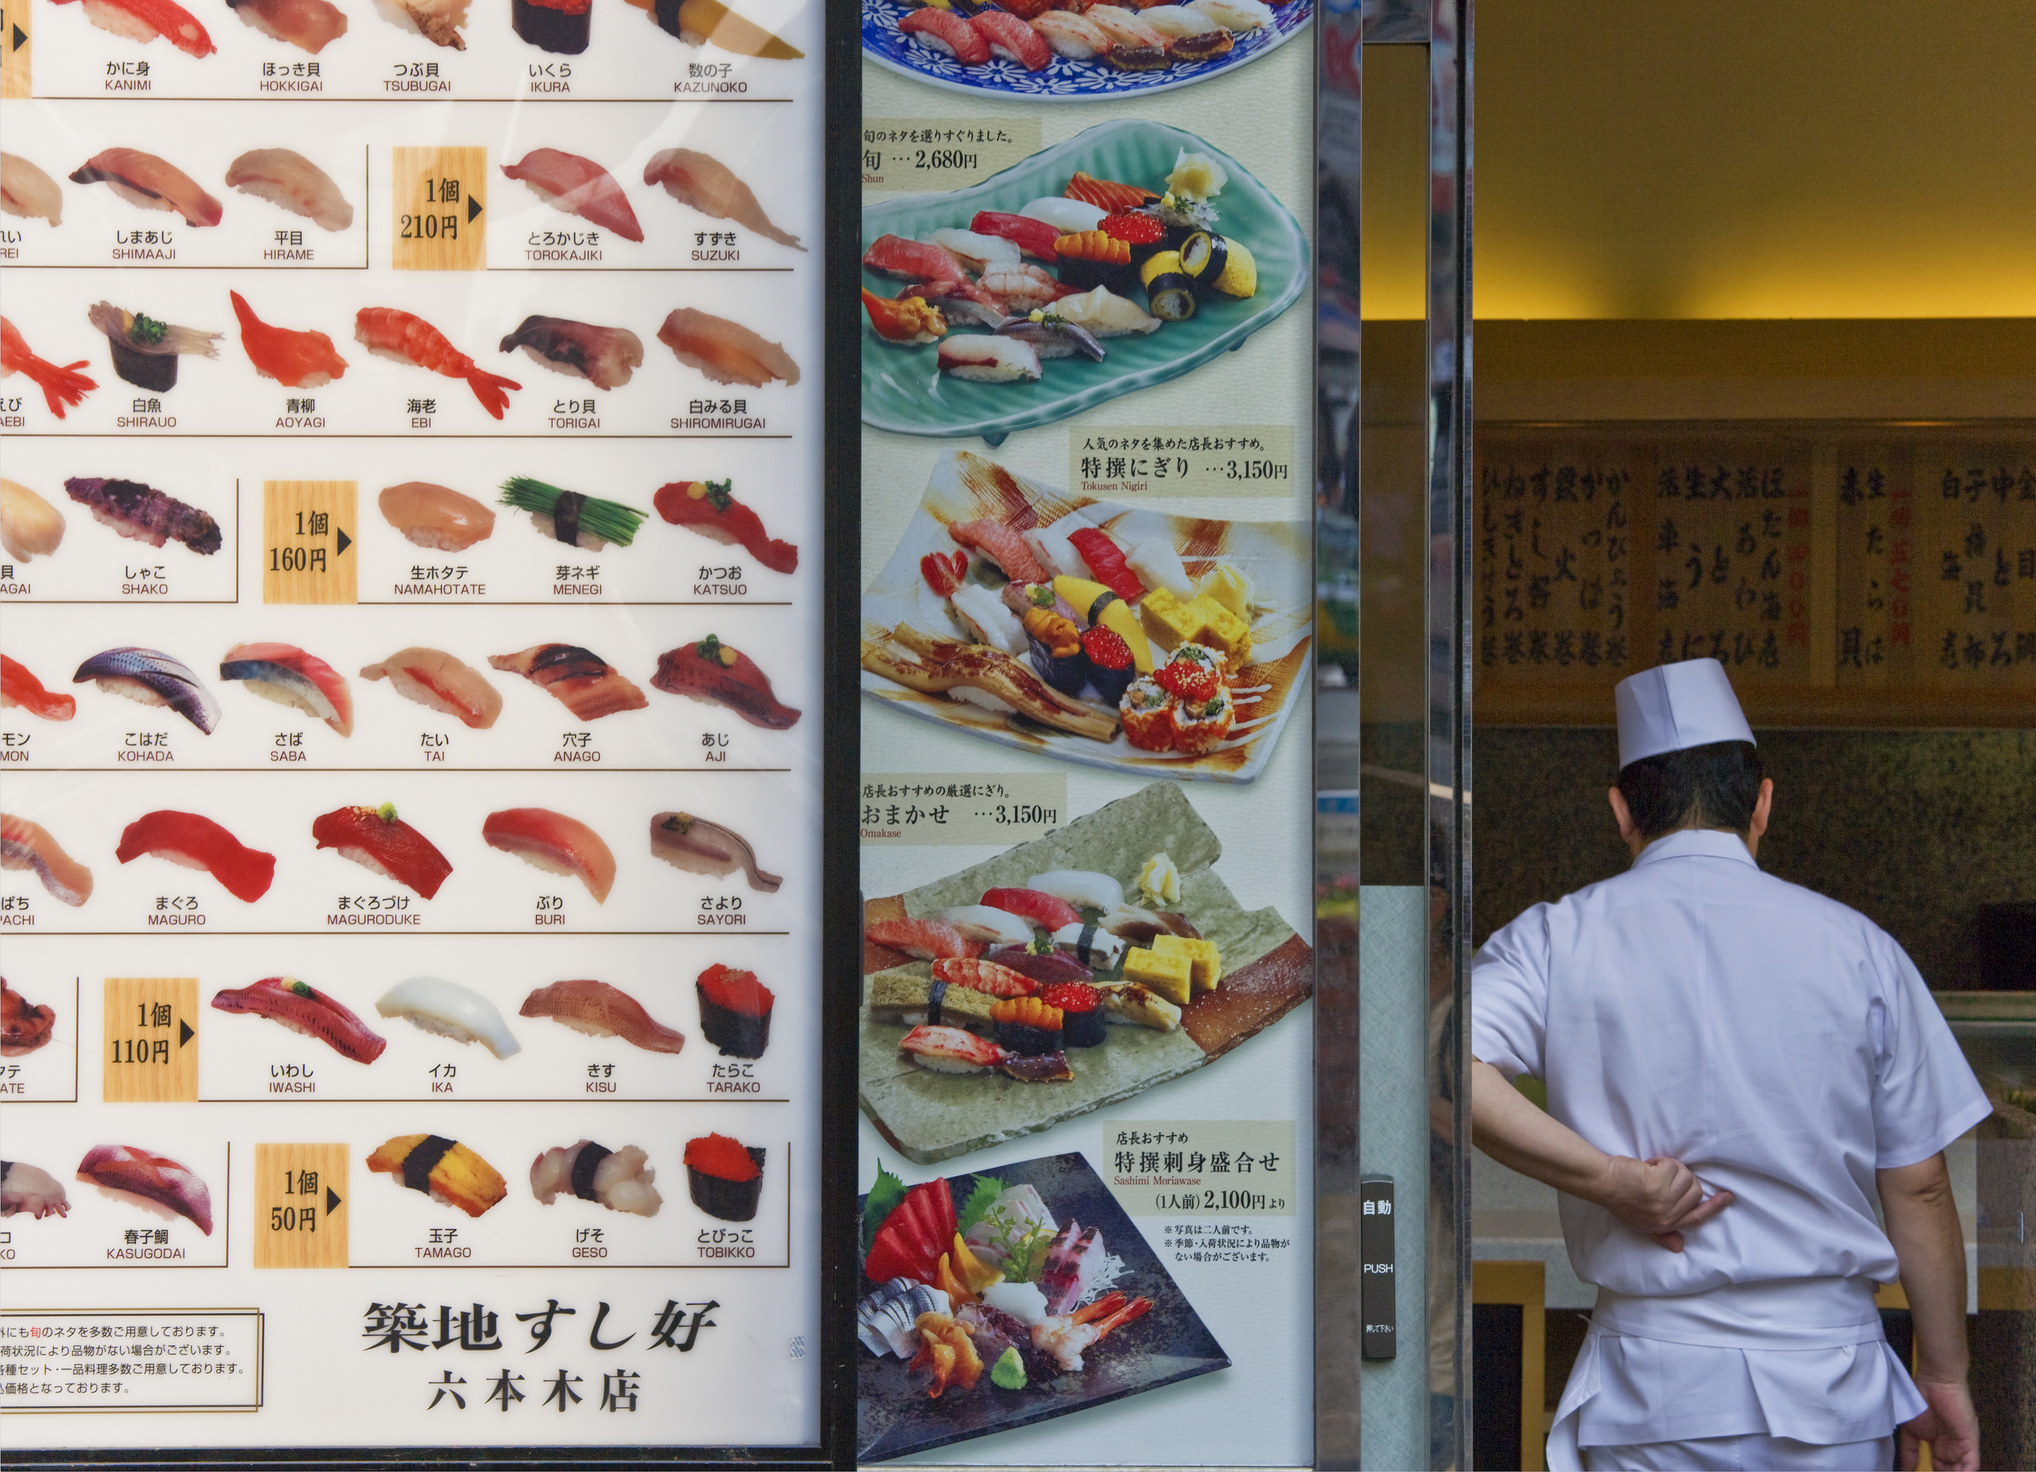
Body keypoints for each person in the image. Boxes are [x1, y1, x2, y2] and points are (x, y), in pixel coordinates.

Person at [1469, 657, 1991, 1472]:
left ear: (1620, 813)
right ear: (1764, 806)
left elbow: (1436, 1070)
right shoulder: (1860, 949)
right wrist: (1946, 1373)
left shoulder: (1555, 939)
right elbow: (1918, 1184)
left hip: (1650, 1392)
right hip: (1831, 1391)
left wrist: (1612, 1181)